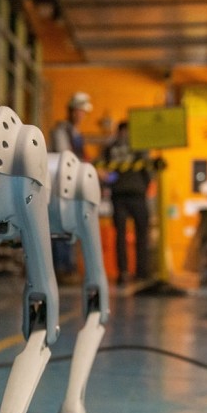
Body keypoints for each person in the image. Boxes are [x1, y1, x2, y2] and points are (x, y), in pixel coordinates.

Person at [49, 91, 92, 284]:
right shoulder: (61, 131)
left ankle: (67, 268)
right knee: (60, 227)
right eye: (79, 110)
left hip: (72, 187)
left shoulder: (76, 134)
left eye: (83, 111)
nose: (81, 115)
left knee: (70, 227)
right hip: (59, 187)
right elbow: (66, 158)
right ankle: (60, 269)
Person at [102, 121, 151, 285]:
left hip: (122, 194)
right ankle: (138, 272)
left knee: (125, 236)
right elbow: (148, 170)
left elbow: (106, 171)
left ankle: (129, 272)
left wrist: (110, 184)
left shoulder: (111, 148)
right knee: (136, 235)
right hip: (132, 193)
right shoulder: (139, 147)